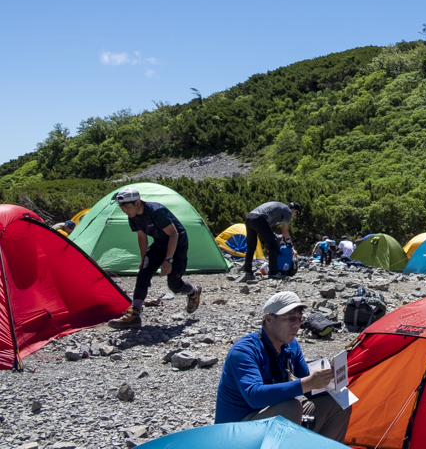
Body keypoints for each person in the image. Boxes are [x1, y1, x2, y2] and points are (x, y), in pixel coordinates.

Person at [214, 291, 351, 440]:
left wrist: (331, 380)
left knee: (341, 402)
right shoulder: (244, 350)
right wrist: (308, 383)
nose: (297, 325)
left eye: (300, 319)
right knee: (291, 406)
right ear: (268, 319)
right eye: (290, 318)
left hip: (268, 418)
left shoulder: (291, 345)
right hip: (235, 431)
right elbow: (254, 397)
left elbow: (308, 385)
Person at [108, 188, 201, 328]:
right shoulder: (132, 216)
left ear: (138, 202)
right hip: (159, 244)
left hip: (177, 245)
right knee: (143, 274)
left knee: (174, 285)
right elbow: (142, 237)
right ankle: (134, 314)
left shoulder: (155, 211)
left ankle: (193, 292)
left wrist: (168, 260)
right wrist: (143, 260)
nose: (125, 210)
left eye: (127, 206)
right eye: (122, 207)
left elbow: (174, 234)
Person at [240, 201, 300, 283]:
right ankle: (273, 273)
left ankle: (248, 272)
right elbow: (284, 231)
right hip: (259, 219)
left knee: (251, 247)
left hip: (249, 217)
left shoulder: (280, 208)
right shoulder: (288, 211)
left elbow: (265, 228)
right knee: (273, 245)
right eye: (296, 214)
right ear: (295, 211)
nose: (293, 215)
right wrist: (289, 242)